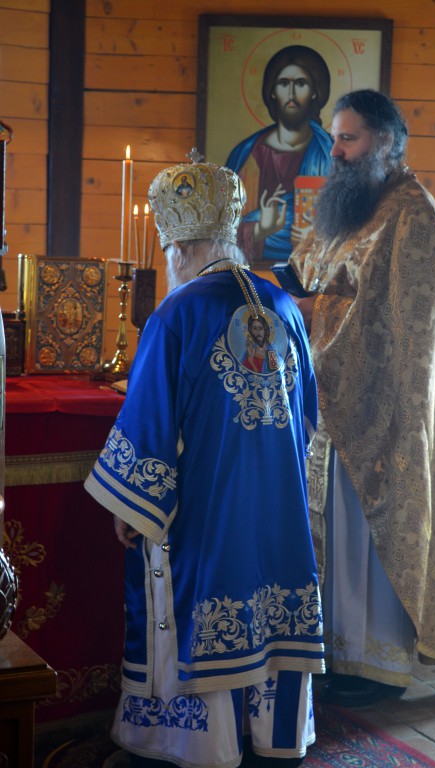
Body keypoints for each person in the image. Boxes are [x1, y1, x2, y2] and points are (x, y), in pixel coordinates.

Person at [85, 155, 324, 767]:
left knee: (190, 591)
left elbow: (149, 423)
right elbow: (307, 420)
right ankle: (273, 737)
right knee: (275, 608)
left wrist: (132, 508)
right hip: (279, 514)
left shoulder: (177, 313)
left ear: (182, 248)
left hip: (208, 519)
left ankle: (198, 744)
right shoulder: (285, 308)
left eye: (170, 251)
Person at [289, 89, 435, 707]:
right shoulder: (351, 210)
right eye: (335, 138)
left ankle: (374, 666)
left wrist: (313, 311)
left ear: (384, 143)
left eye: (348, 139)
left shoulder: (413, 215)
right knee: (334, 539)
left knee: (365, 540)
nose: (336, 152)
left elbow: (398, 325)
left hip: (382, 415)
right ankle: (333, 654)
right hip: (334, 408)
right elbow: (309, 272)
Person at [226, 45, 332, 263]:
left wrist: (317, 237)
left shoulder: (329, 152)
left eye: (300, 84)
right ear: (272, 91)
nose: (291, 94)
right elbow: (225, 230)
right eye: (284, 84)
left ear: (314, 92)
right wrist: (261, 229)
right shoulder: (249, 155)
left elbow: (346, 222)